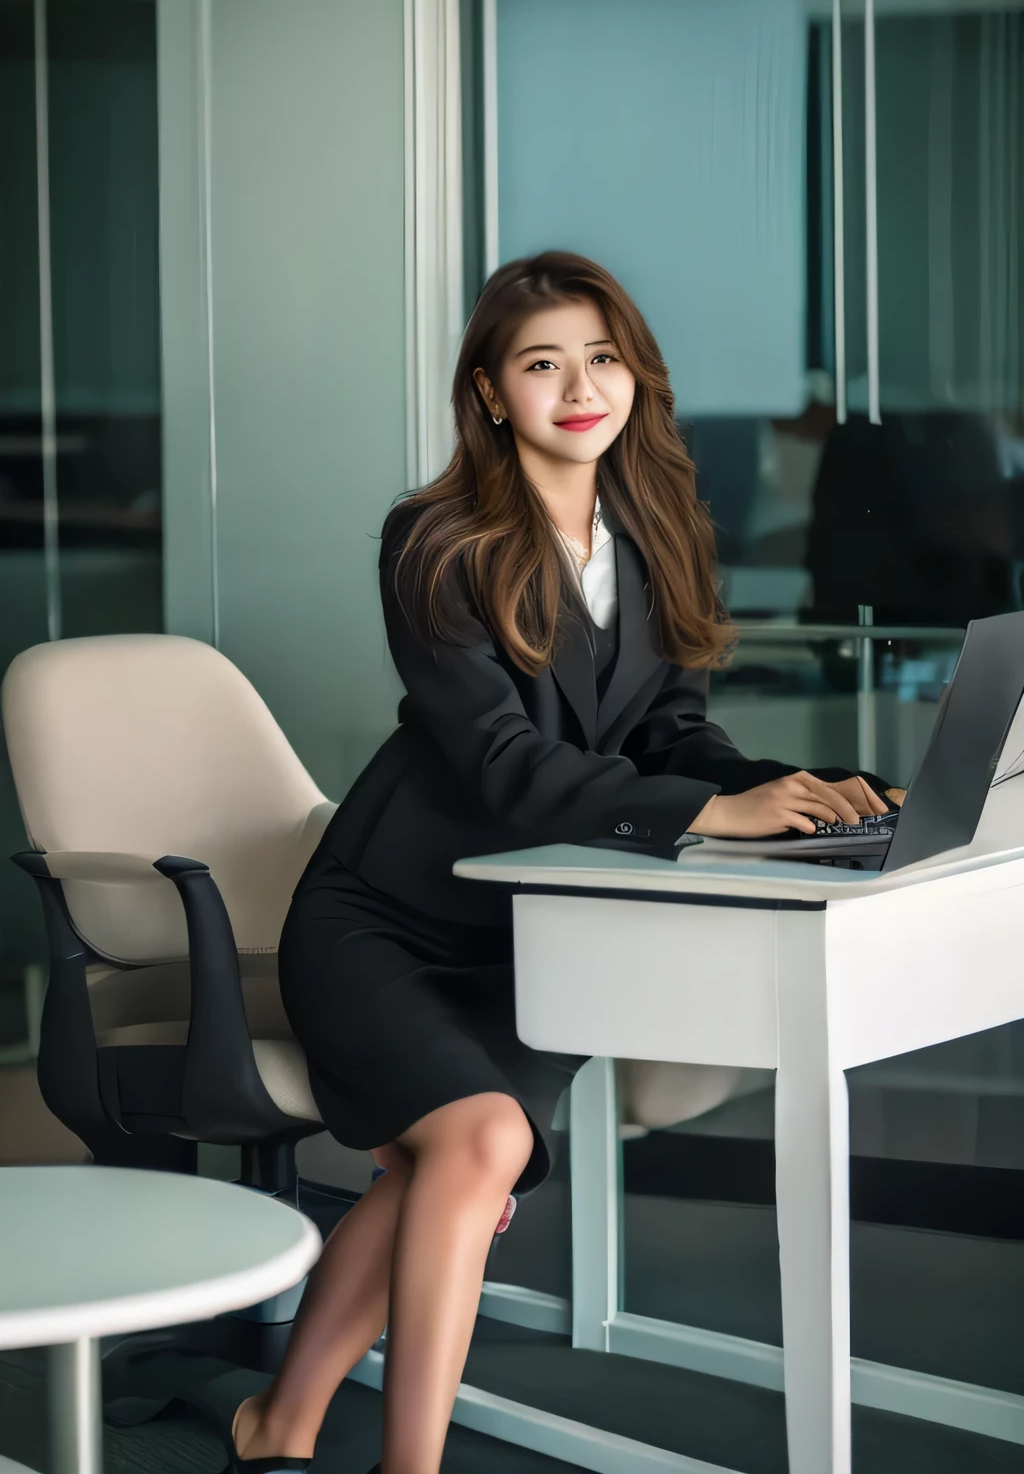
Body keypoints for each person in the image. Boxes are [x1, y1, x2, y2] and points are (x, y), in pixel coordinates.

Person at [228, 252, 900, 1474]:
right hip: (386, 921)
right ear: (490, 393)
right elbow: (500, 763)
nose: (579, 386)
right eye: (542, 363)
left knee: (458, 1171)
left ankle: (278, 1420)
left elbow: (668, 733)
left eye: (602, 358)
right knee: (477, 1150)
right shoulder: (433, 541)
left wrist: (790, 794)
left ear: (634, 375)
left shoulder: (657, 531)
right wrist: (712, 818)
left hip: (539, 929)